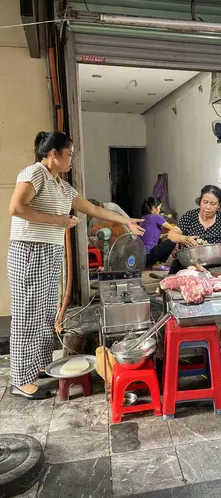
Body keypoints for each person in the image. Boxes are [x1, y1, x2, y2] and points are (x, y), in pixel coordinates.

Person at [8, 131, 145, 400]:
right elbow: (16, 208)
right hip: (29, 251)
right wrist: (57, 221)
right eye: (68, 154)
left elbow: (92, 209)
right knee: (27, 314)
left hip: (49, 252)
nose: (71, 159)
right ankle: (20, 379)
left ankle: (37, 366)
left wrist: (124, 221)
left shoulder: (61, 185)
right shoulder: (34, 173)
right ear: (53, 154)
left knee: (46, 313)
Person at [168, 184, 221, 274]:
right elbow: (171, 235)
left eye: (213, 204)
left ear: (219, 205)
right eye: (205, 202)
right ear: (200, 201)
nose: (208, 207)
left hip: (215, 264)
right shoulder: (190, 216)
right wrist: (185, 239)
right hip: (189, 263)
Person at [140, 196, 176, 268]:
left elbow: (150, 236)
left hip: (141, 258)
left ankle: (155, 263)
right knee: (172, 241)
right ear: (153, 208)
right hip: (150, 256)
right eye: (159, 208)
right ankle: (158, 263)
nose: (159, 211)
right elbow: (173, 228)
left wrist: (164, 235)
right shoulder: (156, 217)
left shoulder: (143, 218)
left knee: (161, 241)